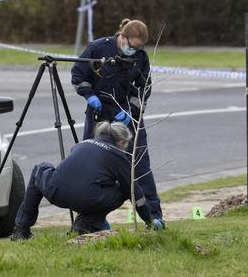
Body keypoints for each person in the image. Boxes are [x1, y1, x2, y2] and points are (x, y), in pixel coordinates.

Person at [71, 18, 164, 223]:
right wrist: (89, 95)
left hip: (127, 117)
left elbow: (143, 88)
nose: (134, 51)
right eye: (131, 47)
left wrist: (131, 112)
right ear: (122, 37)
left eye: (138, 48)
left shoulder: (141, 57)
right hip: (99, 113)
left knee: (139, 165)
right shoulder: (98, 48)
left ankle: (154, 216)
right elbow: (78, 74)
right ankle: (88, 221)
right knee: (93, 166)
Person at [11, 122, 164, 240]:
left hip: (55, 191)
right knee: (124, 189)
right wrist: (150, 220)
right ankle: (86, 224)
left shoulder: (83, 143)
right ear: (122, 142)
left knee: (40, 168)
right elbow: (135, 193)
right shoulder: (118, 155)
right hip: (87, 199)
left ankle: (21, 229)